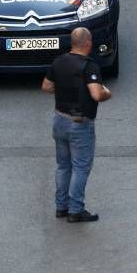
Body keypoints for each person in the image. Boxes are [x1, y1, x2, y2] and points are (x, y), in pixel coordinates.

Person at [40, 27, 111, 223]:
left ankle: (61, 207)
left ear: (72, 43)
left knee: (63, 166)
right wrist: (107, 92)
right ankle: (75, 209)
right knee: (80, 167)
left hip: (59, 120)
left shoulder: (59, 61)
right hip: (79, 124)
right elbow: (97, 94)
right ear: (88, 43)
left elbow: (46, 86)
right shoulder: (89, 67)